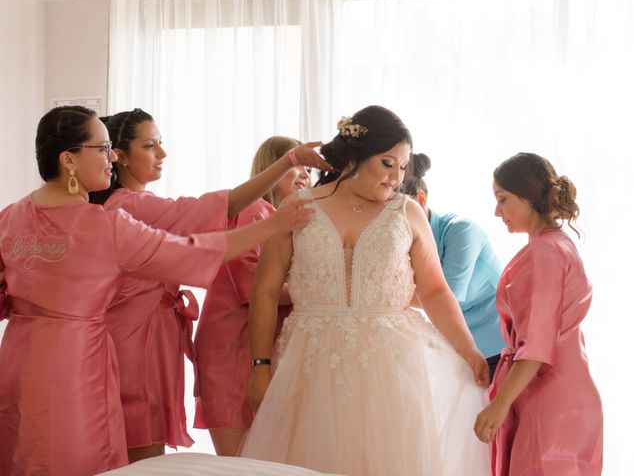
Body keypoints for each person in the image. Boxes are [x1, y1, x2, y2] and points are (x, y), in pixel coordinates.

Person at [0, 106, 314, 476]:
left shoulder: (10, 217)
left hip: (19, 357)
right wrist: (271, 225)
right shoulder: (107, 225)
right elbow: (193, 251)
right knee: (81, 457)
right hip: (75, 360)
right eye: (102, 149)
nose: (112, 156)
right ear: (68, 159)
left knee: (23, 451)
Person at [240, 105, 491, 475]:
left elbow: (435, 291)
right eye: (388, 163)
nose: (397, 177)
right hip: (310, 363)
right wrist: (259, 366)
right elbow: (264, 292)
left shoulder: (406, 212)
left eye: (403, 167)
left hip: (391, 365)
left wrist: (468, 349)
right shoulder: (298, 207)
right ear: (355, 155)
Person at [90, 109, 330, 462]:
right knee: (140, 440)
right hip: (139, 336)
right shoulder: (129, 204)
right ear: (120, 156)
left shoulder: (135, 204)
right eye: (150, 146)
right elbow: (220, 211)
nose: (162, 155)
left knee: (144, 442)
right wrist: (288, 161)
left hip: (154, 334)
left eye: (161, 145)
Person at [474, 153, 603, 475]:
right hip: (565, 393)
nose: (496, 211)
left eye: (503, 199)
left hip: (550, 400)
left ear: (529, 195)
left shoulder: (545, 253)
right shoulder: (557, 243)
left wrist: (500, 403)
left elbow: (537, 344)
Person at [194, 136, 310, 456]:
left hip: (252, 345)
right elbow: (252, 286)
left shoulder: (285, 219)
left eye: (309, 171)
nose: (305, 175)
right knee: (240, 458)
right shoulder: (254, 210)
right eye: (297, 166)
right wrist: (319, 291)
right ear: (272, 168)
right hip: (234, 347)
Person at [405, 152, 506, 379]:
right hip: (459, 351)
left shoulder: (462, 231)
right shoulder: (403, 243)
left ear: (420, 200)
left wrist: (381, 294)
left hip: (500, 350)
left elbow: (446, 296)